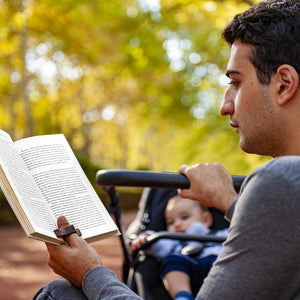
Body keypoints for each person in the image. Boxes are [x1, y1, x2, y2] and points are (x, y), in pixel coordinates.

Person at [33, 0, 300, 299]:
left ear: (284, 84)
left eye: (236, 82)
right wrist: (228, 201)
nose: (225, 106)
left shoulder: (281, 180)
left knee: (60, 293)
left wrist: (91, 272)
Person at [130, 195, 227, 300]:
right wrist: (146, 239)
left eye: (185, 217)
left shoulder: (219, 235)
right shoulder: (172, 241)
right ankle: (182, 295)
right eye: (170, 222)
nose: (177, 224)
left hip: (214, 267)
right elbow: (158, 245)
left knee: (225, 263)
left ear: (206, 219)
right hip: (185, 267)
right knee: (172, 262)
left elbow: (237, 238)